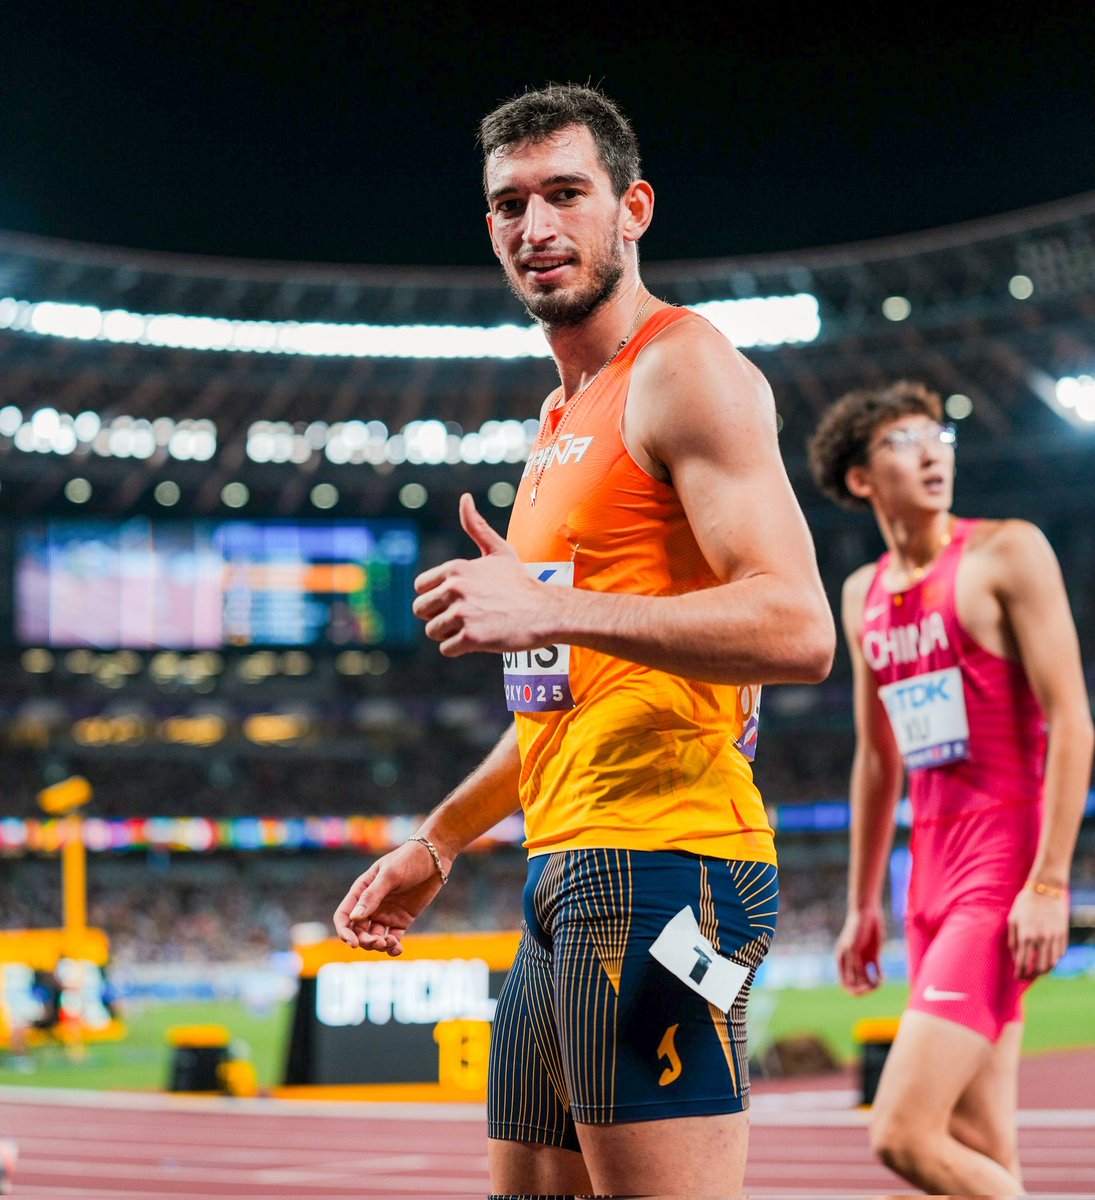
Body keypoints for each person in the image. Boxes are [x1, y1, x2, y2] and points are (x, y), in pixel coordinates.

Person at [334, 81, 835, 1199]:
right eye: (512, 204)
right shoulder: (560, 424)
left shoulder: (683, 368)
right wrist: (439, 841)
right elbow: (563, 703)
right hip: (566, 869)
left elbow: (800, 630)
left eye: (567, 193)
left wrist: (551, 606)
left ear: (633, 208)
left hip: (672, 864)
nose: (537, 226)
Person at [807, 380, 1093, 1196]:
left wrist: (1048, 880)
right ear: (861, 478)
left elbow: (1073, 721)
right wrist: (862, 903)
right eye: (903, 441)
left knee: (902, 1133)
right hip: (925, 880)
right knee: (979, 1143)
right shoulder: (862, 594)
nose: (933, 452)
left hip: (1001, 872)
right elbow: (875, 761)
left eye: (938, 435)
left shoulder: (1008, 551)